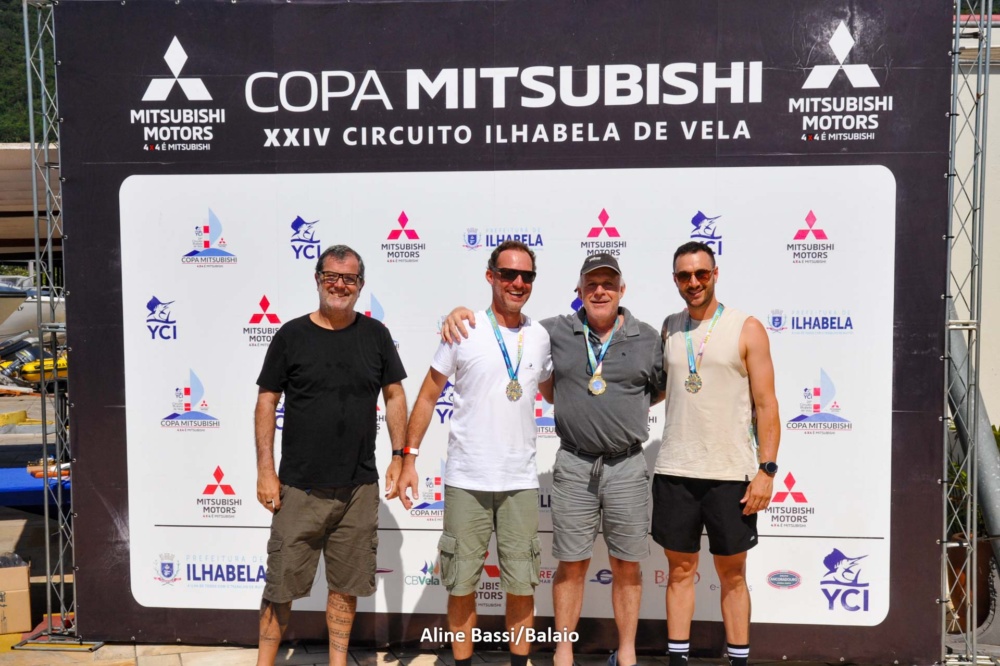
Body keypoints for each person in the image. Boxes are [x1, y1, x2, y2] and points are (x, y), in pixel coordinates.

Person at [442, 253, 665, 666]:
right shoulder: (552, 333)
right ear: (578, 290)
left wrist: (624, 409)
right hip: (575, 464)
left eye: (608, 284)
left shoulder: (648, 338)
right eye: (591, 284)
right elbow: (509, 333)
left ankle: (627, 653)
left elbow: (660, 388)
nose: (600, 291)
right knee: (571, 564)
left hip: (627, 464)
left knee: (627, 565)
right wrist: (456, 313)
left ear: (622, 290)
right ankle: (563, 651)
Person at [254, 244, 416, 666]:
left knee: (345, 588)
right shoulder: (290, 336)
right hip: (298, 488)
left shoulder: (375, 335)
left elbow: (395, 395)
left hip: (358, 489)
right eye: (332, 276)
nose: (339, 285)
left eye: (349, 279)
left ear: (360, 285)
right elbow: (267, 401)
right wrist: (265, 471)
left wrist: (399, 456)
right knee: (280, 587)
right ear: (317, 279)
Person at [406, 240, 553, 666]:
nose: (518, 282)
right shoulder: (463, 329)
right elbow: (428, 394)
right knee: (461, 584)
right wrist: (409, 457)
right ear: (491, 276)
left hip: (520, 481)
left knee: (522, 585)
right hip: (467, 480)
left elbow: (555, 392)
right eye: (508, 274)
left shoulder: (540, 336)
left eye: (526, 275)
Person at [653, 241, 780, 666]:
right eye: (684, 276)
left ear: (715, 274)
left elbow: (767, 405)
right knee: (680, 572)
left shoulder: (747, 328)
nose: (693, 282)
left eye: (701, 274)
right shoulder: (669, 328)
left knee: (732, 574)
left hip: (731, 474)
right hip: (675, 469)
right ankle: (677, 660)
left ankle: (738, 660)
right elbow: (656, 388)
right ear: (675, 280)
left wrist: (766, 470)